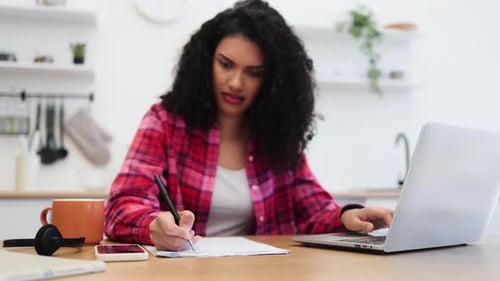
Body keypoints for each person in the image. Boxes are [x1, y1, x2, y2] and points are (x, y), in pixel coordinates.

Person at [104, 0, 393, 251]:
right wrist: (154, 225)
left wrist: (348, 216)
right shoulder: (164, 122)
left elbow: (313, 208)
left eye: (253, 73)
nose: (235, 83)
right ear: (206, 62)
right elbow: (120, 208)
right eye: (226, 64)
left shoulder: (277, 134)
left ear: (272, 81)